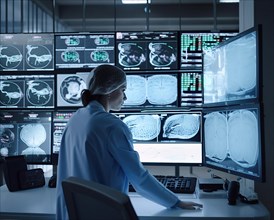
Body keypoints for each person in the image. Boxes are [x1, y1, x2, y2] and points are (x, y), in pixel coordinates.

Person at [56, 64, 203, 220]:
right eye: (123, 90)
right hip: (104, 214)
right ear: (109, 91)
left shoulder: (75, 119)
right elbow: (139, 178)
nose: (125, 98)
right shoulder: (112, 126)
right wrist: (175, 202)